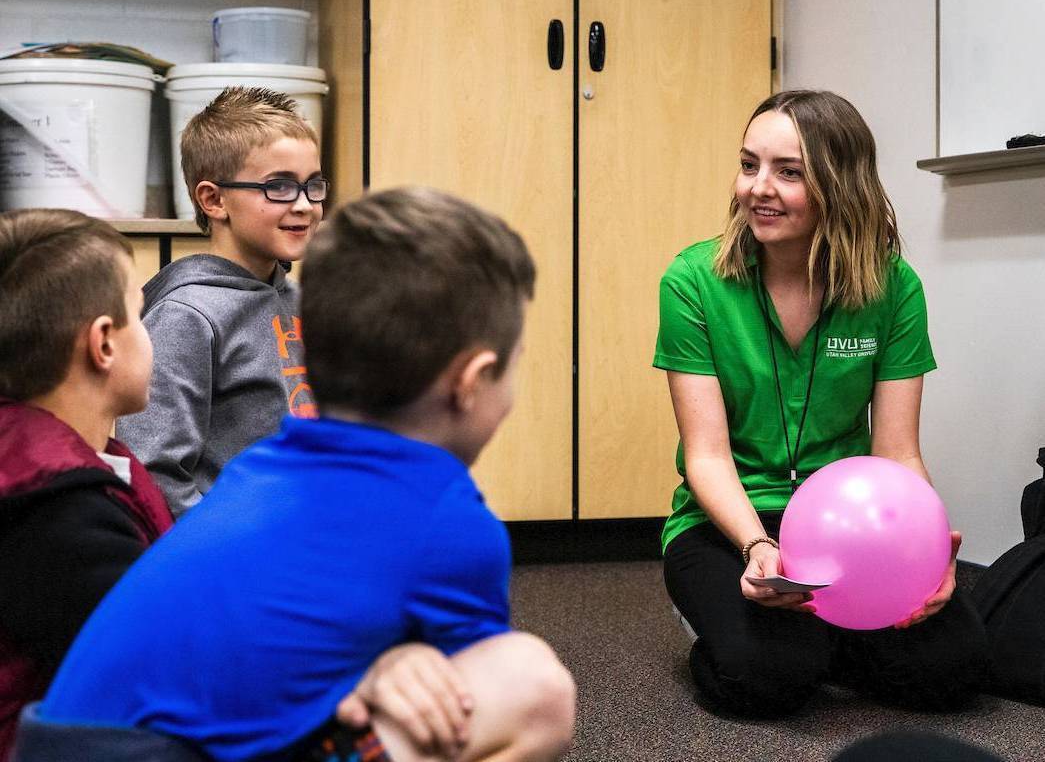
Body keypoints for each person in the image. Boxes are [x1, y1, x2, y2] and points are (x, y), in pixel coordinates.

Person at [22, 187, 576, 762]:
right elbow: (448, 691)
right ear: (473, 381)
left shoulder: (258, 469)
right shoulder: (451, 523)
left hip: (57, 743)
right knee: (532, 685)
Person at [655, 90, 987, 717]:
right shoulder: (693, 281)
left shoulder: (893, 287)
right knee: (767, 679)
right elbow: (706, 457)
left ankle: (821, 636)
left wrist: (928, 546)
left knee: (955, 666)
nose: (758, 188)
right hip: (729, 524)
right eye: (749, 164)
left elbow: (896, 452)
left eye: (788, 172)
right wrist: (759, 548)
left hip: (850, 528)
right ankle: (763, 634)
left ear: (841, 184)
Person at [0, 209, 174, 761]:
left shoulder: (67, 466)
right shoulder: (60, 520)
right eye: (140, 316)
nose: (148, 336)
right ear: (103, 344)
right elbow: (167, 677)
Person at [116, 86, 322, 517]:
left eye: (313, 185)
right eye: (279, 187)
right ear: (213, 200)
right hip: (233, 558)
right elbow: (155, 469)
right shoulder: (186, 315)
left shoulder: (296, 296)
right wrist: (220, 552)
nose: (304, 205)